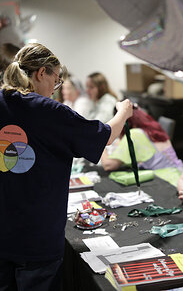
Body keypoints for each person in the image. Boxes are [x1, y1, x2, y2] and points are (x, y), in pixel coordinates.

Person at [0, 43, 133, 290]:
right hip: (37, 237)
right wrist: (123, 113)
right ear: (41, 73)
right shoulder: (49, 110)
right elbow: (101, 136)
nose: (55, 88)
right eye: (56, 79)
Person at [101, 107, 183, 186]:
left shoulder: (134, 134)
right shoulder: (154, 129)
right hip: (180, 175)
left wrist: (101, 143)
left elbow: (109, 165)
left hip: (165, 181)